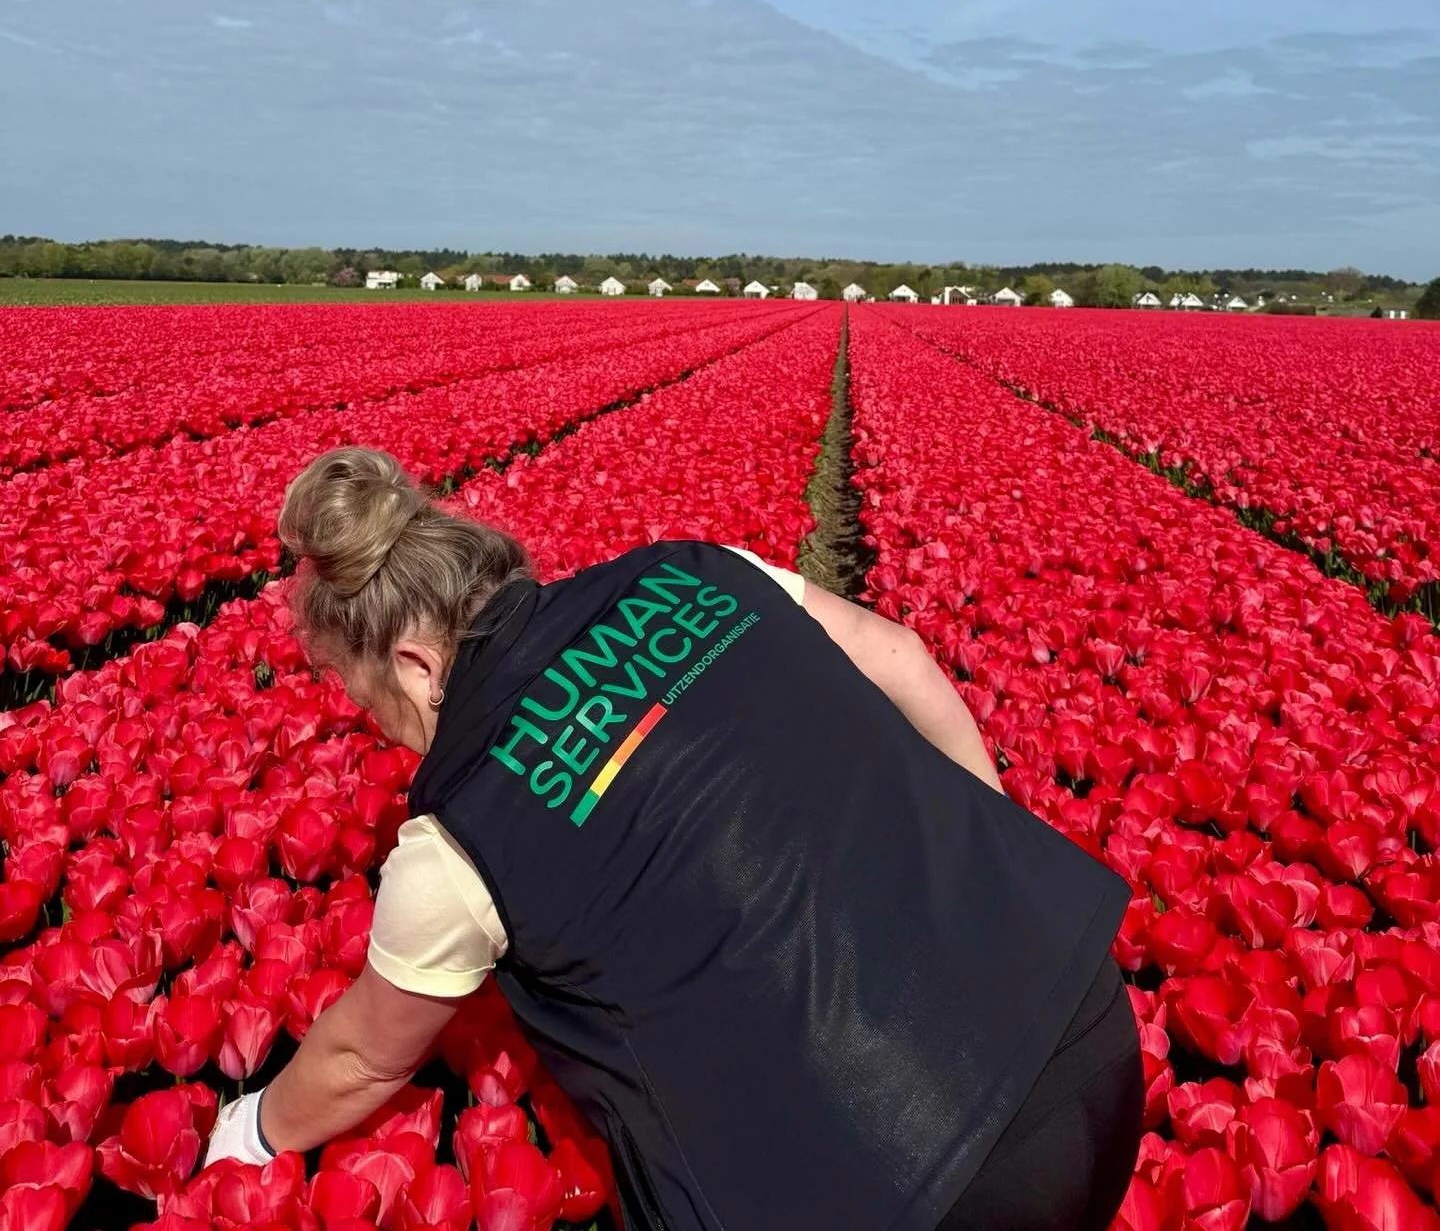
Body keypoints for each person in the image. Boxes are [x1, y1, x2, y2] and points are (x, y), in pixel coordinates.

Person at [207, 446, 1142, 1231]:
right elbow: (904, 659)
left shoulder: (462, 836)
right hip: (1083, 1030)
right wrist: (990, 878)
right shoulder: (697, 570)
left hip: (911, 1189)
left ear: (414, 664)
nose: (367, 718)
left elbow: (363, 1058)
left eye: (356, 690)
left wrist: (249, 1131)